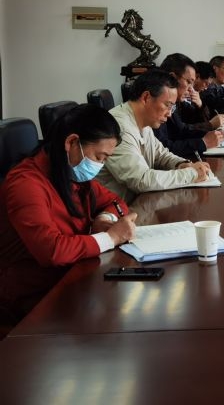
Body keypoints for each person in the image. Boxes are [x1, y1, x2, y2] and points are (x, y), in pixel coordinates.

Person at [0, 104, 137, 324]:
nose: (100, 165)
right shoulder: (26, 184)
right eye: (99, 157)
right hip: (31, 298)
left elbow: (115, 202)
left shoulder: (69, 174)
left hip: (72, 278)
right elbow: (51, 250)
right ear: (72, 142)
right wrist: (110, 237)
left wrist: (104, 219)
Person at [96, 69, 211, 203]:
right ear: (146, 98)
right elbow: (141, 180)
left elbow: (160, 155)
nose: (169, 114)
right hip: (115, 210)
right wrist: (191, 174)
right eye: (168, 105)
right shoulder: (119, 127)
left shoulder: (143, 121)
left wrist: (183, 164)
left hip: (137, 203)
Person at [156, 53, 224, 159]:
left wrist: (211, 134)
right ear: (172, 78)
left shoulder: (174, 101)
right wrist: (203, 142)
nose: (191, 89)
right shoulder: (155, 101)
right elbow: (162, 149)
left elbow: (181, 130)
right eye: (188, 82)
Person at [179, 60, 224, 130]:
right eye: (206, 84)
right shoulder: (179, 96)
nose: (206, 88)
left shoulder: (199, 93)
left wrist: (201, 105)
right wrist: (210, 124)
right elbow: (182, 128)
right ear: (197, 77)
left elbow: (206, 119)